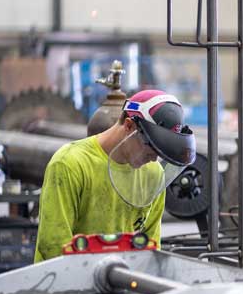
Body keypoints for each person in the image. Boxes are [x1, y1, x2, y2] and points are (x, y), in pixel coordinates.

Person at [35, 89, 196, 262]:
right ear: (129, 126)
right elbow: (53, 244)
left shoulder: (154, 174)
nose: (154, 158)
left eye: (160, 153)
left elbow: (150, 247)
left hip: (122, 282)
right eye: (151, 148)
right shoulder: (70, 163)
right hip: (63, 280)